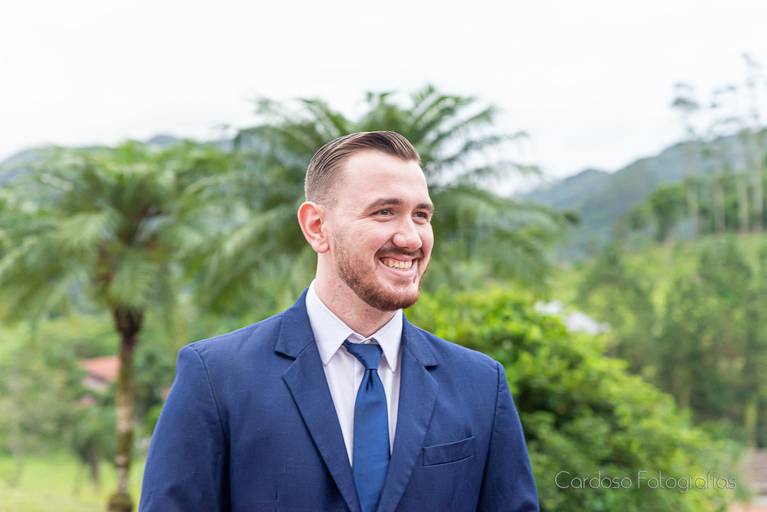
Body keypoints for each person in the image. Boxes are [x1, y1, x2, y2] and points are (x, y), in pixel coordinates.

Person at [139, 131, 539, 512]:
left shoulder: (481, 384)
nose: (412, 238)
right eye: (385, 212)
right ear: (317, 227)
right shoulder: (216, 378)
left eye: (421, 215)